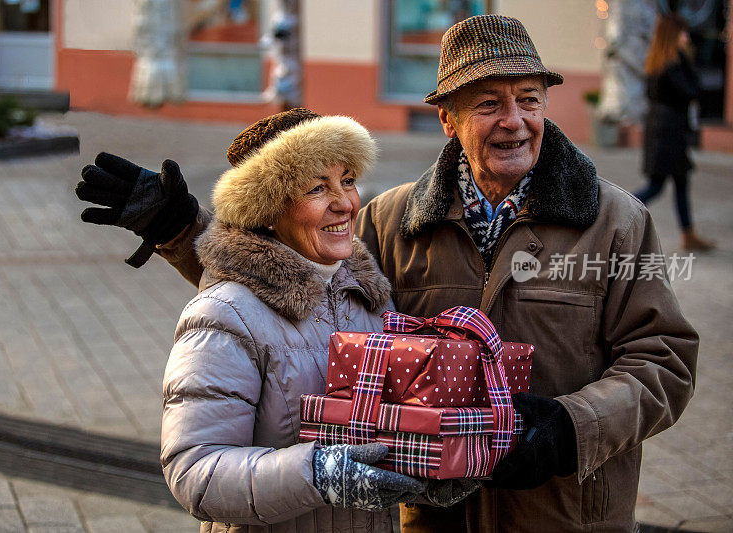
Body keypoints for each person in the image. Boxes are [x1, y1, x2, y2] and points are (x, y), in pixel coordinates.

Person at [76, 15, 698, 533]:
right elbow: (293, 296)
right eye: (489, 104)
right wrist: (187, 231)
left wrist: (568, 428)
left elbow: (664, 357)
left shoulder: (615, 220)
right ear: (448, 121)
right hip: (432, 521)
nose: (515, 120)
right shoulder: (393, 220)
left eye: (529, 99)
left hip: (564, 515)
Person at [635, 13, 714, 250]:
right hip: (667, 134)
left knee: (681, 182)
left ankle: (688, 234)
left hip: (663, 130)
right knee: (656, 186)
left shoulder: (657, 61)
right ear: (673, 35)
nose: (687, 37)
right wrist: (688, 59)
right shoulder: (673, 62)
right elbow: (691, 90)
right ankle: (611, 213)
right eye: (683, 32)